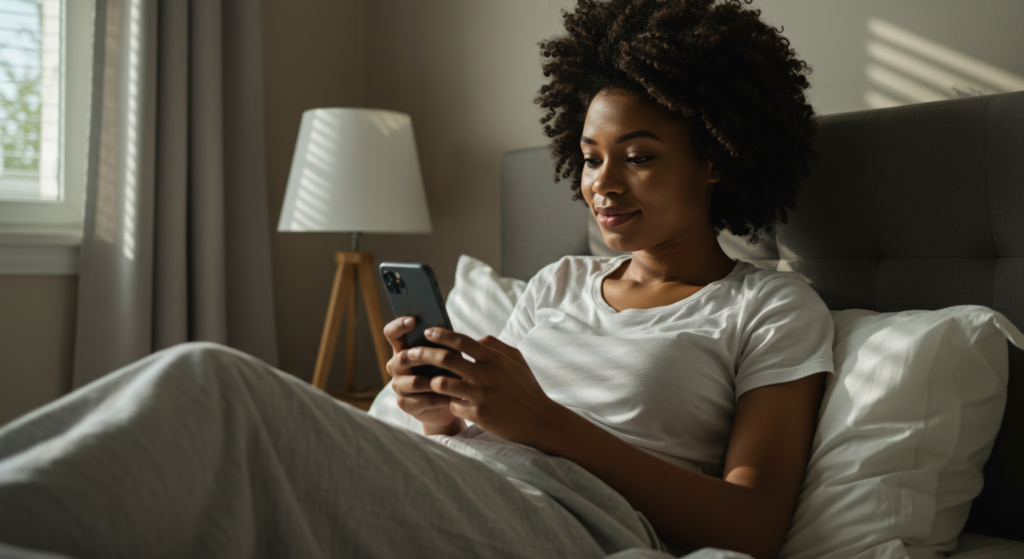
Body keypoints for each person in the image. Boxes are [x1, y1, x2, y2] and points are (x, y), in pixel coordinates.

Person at [0, 1, 828, 558]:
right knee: (194, 433)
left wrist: (542, 421)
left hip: (575, 519)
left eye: (640, 158)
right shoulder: (559, 282)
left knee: (213, 384)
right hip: (457, 481)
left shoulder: (767, 305)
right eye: (589, 157)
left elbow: (751, 523)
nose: (602, 183)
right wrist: (439, 412)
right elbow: (479, 432)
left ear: (716, 160)